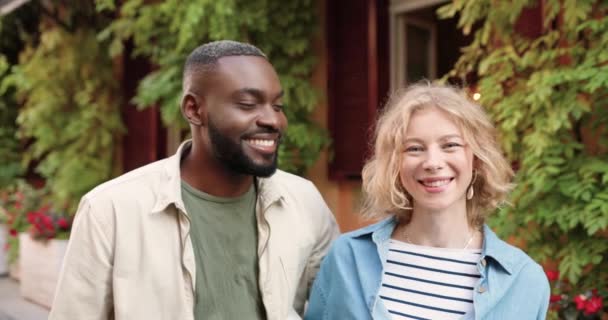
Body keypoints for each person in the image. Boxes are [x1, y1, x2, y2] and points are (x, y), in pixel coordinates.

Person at [49, 40, 339, 320]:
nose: (273, 120)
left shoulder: (305, 201)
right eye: (248, 104)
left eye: (277, 106)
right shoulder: (110, 210)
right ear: (193, 109)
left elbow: (339, 305)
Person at [305, 83, 550, 319]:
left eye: (450, 145)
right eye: (414, 148)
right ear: (395, 164)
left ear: (476, 159)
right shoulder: (348, 259)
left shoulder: (523, 279)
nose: (432, 162)